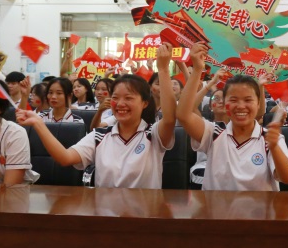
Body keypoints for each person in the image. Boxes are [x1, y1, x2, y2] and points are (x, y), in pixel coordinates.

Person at [17, 43, 177, 189]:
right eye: (115, 98)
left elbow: (170, 119)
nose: (120, 104)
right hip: (105, 209)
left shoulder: (152, 135)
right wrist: (38, 124)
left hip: (146, 209)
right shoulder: (99, 136)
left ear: (145, 103)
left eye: (128, 98)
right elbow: (65, 158)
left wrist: (163, 69)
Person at [176, 43, 288, 191]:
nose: (240, 106)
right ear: (225, 102)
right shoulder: (214, 133)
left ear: (259, 104)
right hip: (216, 205)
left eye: (248, 100)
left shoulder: (270, 138)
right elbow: (183, 115)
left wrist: (274, 148)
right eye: (233, 100)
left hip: (259, 206)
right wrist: (197, 69)